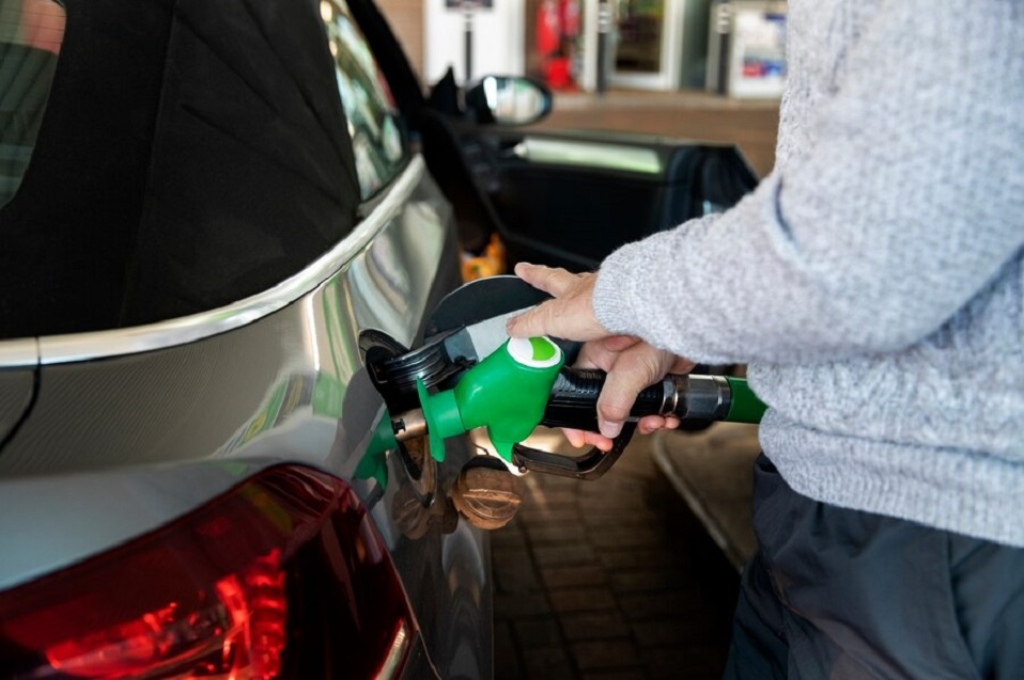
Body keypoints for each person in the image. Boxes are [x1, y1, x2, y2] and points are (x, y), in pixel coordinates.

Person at [506, 0, 1024, 676]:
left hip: (938, 529)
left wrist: (623, 295)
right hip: (822, 512)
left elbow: (867, 248)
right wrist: (678, 327)